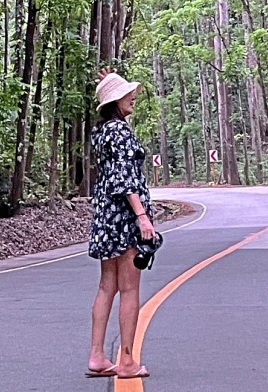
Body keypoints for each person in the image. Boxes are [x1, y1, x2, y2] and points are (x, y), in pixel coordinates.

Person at [86, 70, 155, 380]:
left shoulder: (101, 133)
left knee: (106, 286)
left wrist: (110, 78)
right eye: (127, 94)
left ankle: (97, 356)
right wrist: (142, 217)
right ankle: (126, 361)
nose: (133, 97)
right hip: (125, 216)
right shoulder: (122, 133)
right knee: (129, 288)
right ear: (115, 101)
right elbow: (125, 179)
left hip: (105, 215)